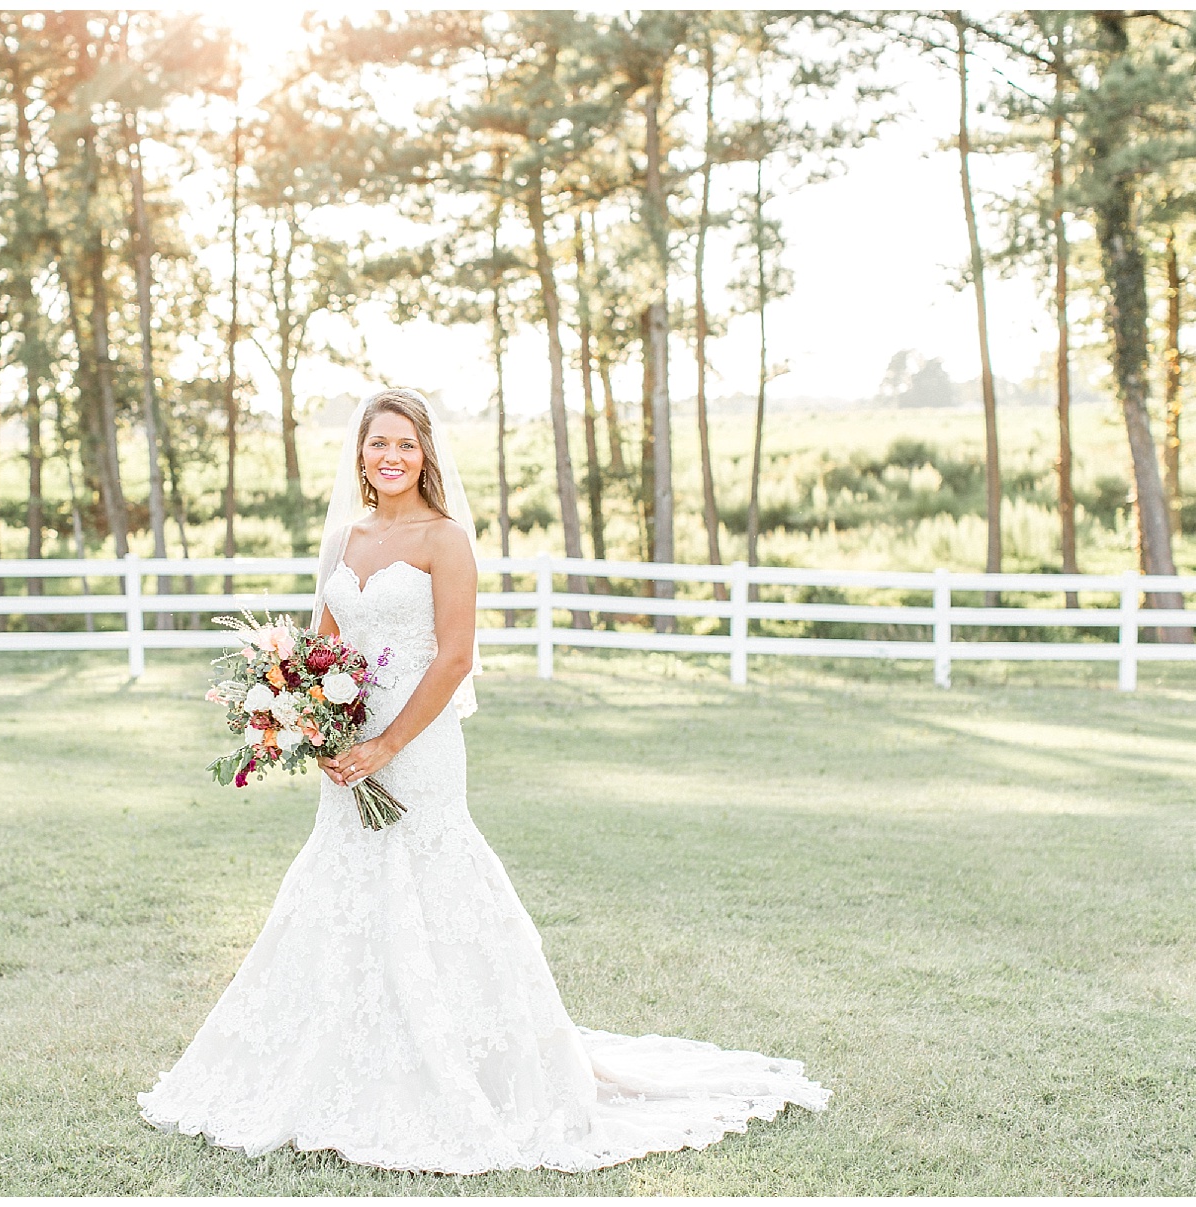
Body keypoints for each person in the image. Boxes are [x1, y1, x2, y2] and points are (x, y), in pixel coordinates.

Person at [138, 387, 829, 1174]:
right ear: (359, 454)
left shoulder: (446, 538)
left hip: (419, 742)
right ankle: (334, 1067)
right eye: (376, 444)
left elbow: (455, 657)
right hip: (349, 741)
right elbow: (322, 647)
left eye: (404, 443)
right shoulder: (344, 540)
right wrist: (309, 720)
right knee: (343, 882)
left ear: (425, 453)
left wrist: (388, 744)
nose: (389, 457)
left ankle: (462, 1068)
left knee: (432, 880)